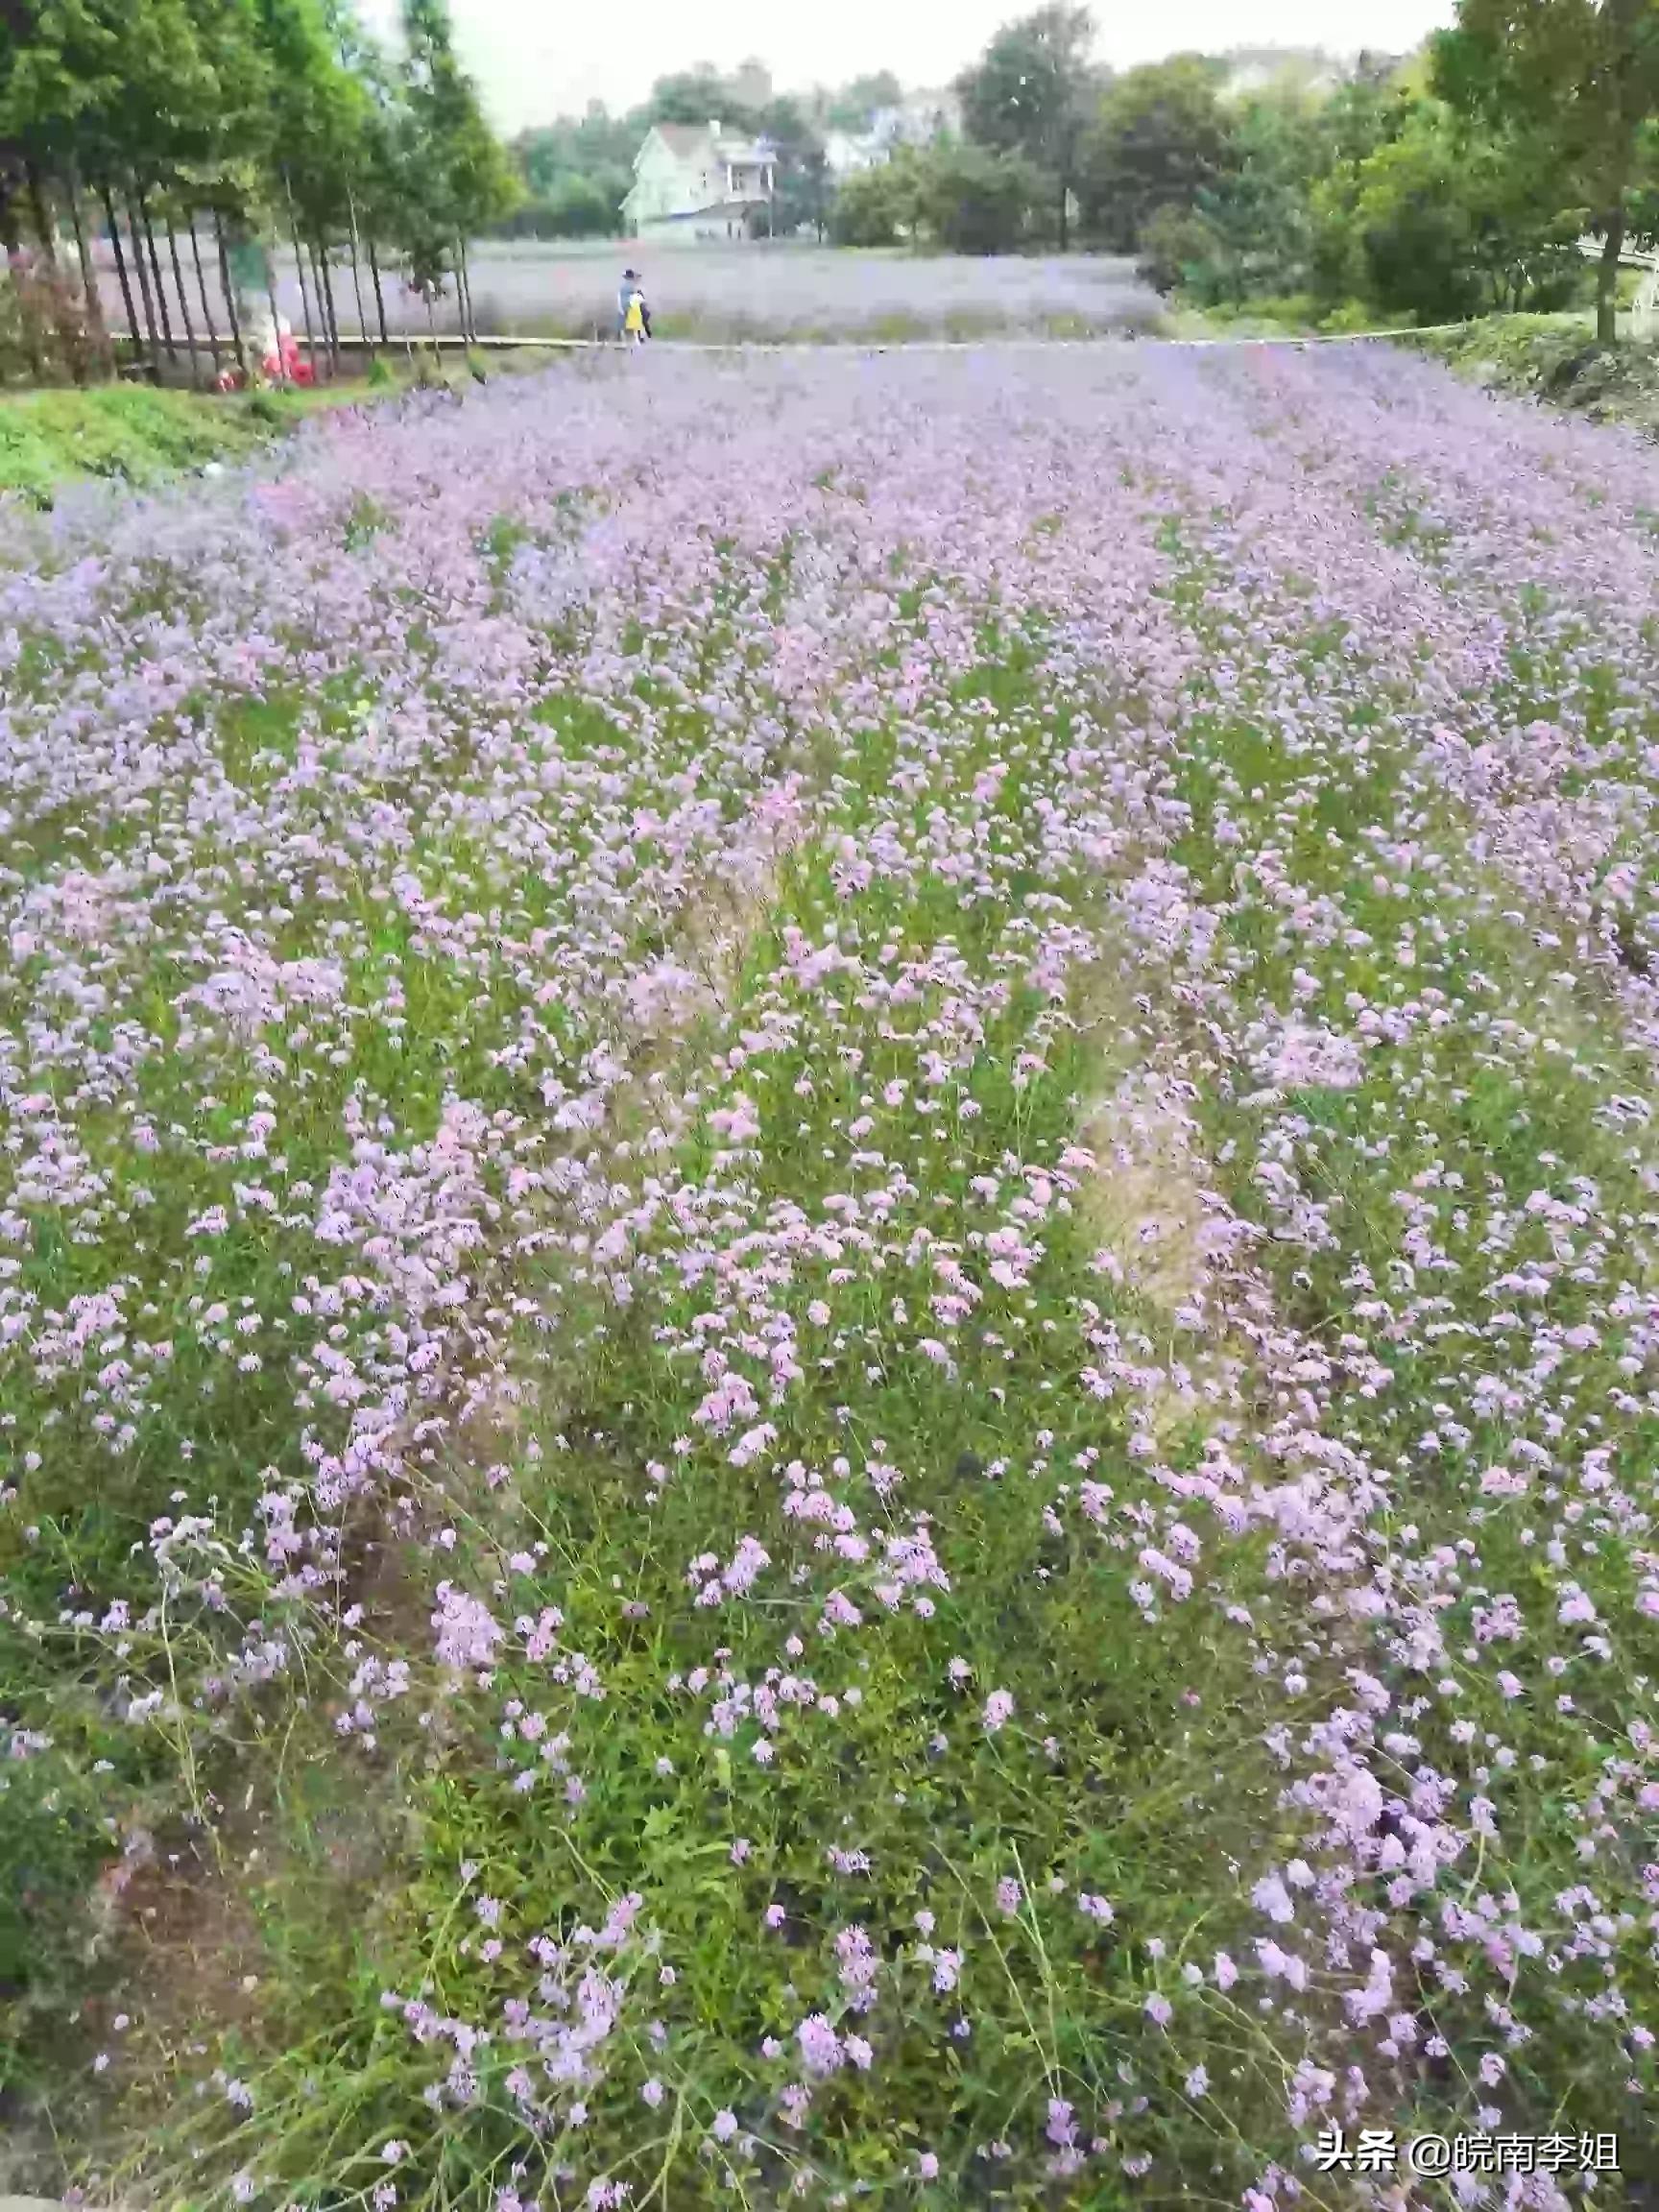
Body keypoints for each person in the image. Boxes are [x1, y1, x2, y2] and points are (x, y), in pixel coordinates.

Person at [618, 267, 651, 342]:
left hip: (631, 306)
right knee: (639, 321)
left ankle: (639, 337)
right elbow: (637, 297)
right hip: (632, 306)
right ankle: (639, 338)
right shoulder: (630, 287)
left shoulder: (629, 286)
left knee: (639, 320)